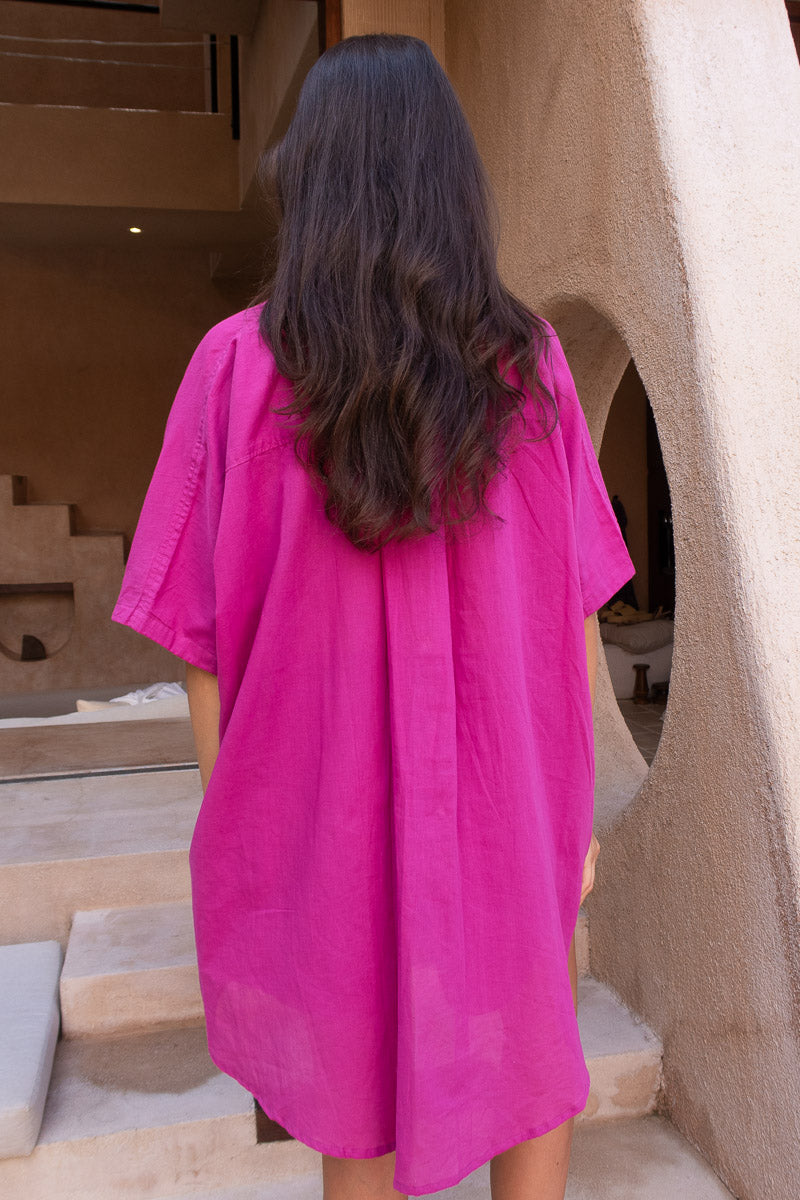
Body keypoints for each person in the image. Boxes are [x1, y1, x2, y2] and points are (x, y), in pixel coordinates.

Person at [112, 32, 635, 1200]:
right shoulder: (527, 367)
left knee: (354, 1092)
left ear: (317, 170)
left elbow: (199, 641)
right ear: (448, 178)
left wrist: (235, 821)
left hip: (318, 817)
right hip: (510, 797)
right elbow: (576, 609)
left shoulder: (237, 367)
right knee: (525, 1051)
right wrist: (575, 804)